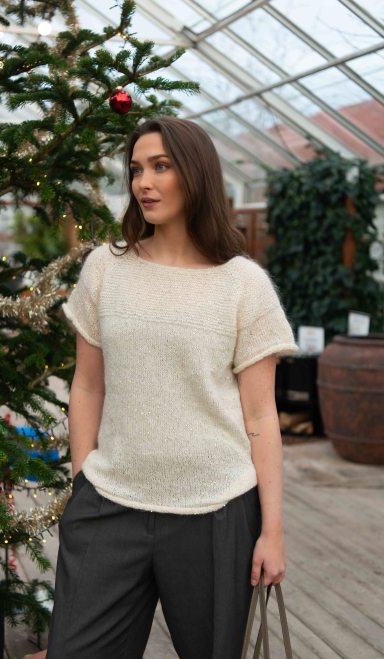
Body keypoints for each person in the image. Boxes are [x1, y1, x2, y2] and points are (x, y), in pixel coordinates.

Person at [46, 116, 299, 659]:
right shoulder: (105, 269)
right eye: (136, 169)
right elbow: (87, 387)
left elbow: (261, 416)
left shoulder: (244, 285)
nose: (144, 182)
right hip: (108, 507)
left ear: (196, 174)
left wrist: (272, 531)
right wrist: (83, 479)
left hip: (217, 514)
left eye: (160, 166)